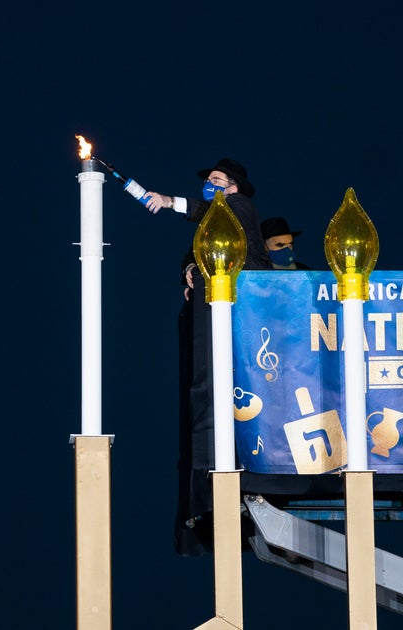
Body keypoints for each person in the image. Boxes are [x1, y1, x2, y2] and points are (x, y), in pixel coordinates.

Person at [144, 158, 270, 556]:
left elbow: (205, 213)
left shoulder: (238, 208)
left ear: (233, 187)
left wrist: (168, 201)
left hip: (249, 299)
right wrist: (188, 267)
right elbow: (198, 247)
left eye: (216, 181)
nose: (210, 187)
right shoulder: (218, 221)